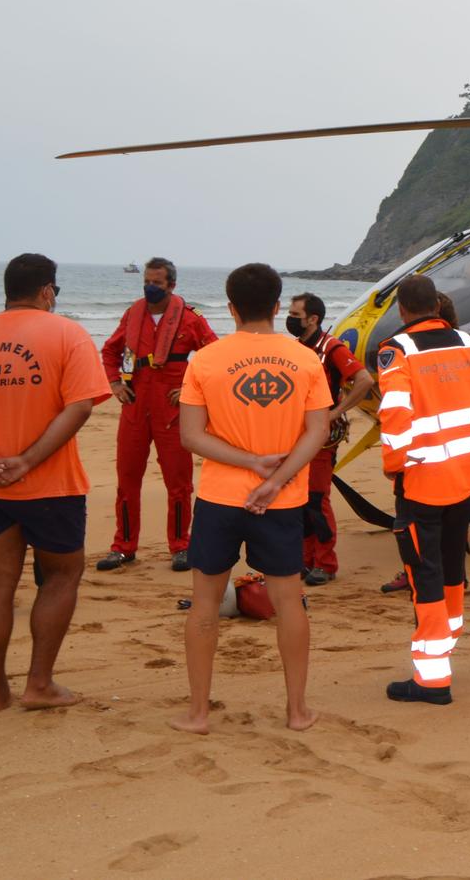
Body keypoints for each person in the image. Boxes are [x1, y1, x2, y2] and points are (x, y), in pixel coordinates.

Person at [0, 253, 111, 709]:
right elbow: (81, 405)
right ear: (47, 290)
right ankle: (39, 683)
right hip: (51, 486)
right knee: (63, 574)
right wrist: (27, 461)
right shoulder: (67, 333)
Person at [172, 263, 332, 734]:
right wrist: (275, 475)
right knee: (290, 603)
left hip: (221, 499)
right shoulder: (305, 359)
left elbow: (191, 436)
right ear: (278, 306)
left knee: (204, 606)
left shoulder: (205, 359)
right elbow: (317, 431)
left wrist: (249, 463)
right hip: (281, 501)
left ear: (231, 307)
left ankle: (199, 713)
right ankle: (297, 711)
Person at [376, 273, 470, 704]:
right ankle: (447, 642)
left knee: (424, 575)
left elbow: (395, 414)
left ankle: (432, 680)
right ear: (437, 307)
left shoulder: (396, 351)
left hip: (420, 483)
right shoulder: (469, 344)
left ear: (402, 310)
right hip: (463, 478)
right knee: (452, 568)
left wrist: (394, 465)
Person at [98, 256, 217, 572]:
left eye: (157, 283)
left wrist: (192, 390)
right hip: (135, 407)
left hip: (173, 411)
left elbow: (213, 358)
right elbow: (110, 351)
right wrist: (114, 383)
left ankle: (181, 547)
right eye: (147, 282)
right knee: (126, 480)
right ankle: (123, 547)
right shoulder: (132, 315)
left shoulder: (190, 319)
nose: (150, 287)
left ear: (172, 285)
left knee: (178, 483)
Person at [285, 292, 376, 585]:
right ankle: (305, 559)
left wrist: (336, 412)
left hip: (322, 436)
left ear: (313, 319)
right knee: (299, 500)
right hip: (297, 433)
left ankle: (325, 562)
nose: (290, 319)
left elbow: (364, 380)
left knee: (315, 498)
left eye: (295, 315)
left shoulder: (332, 348)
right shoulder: (297, 348)